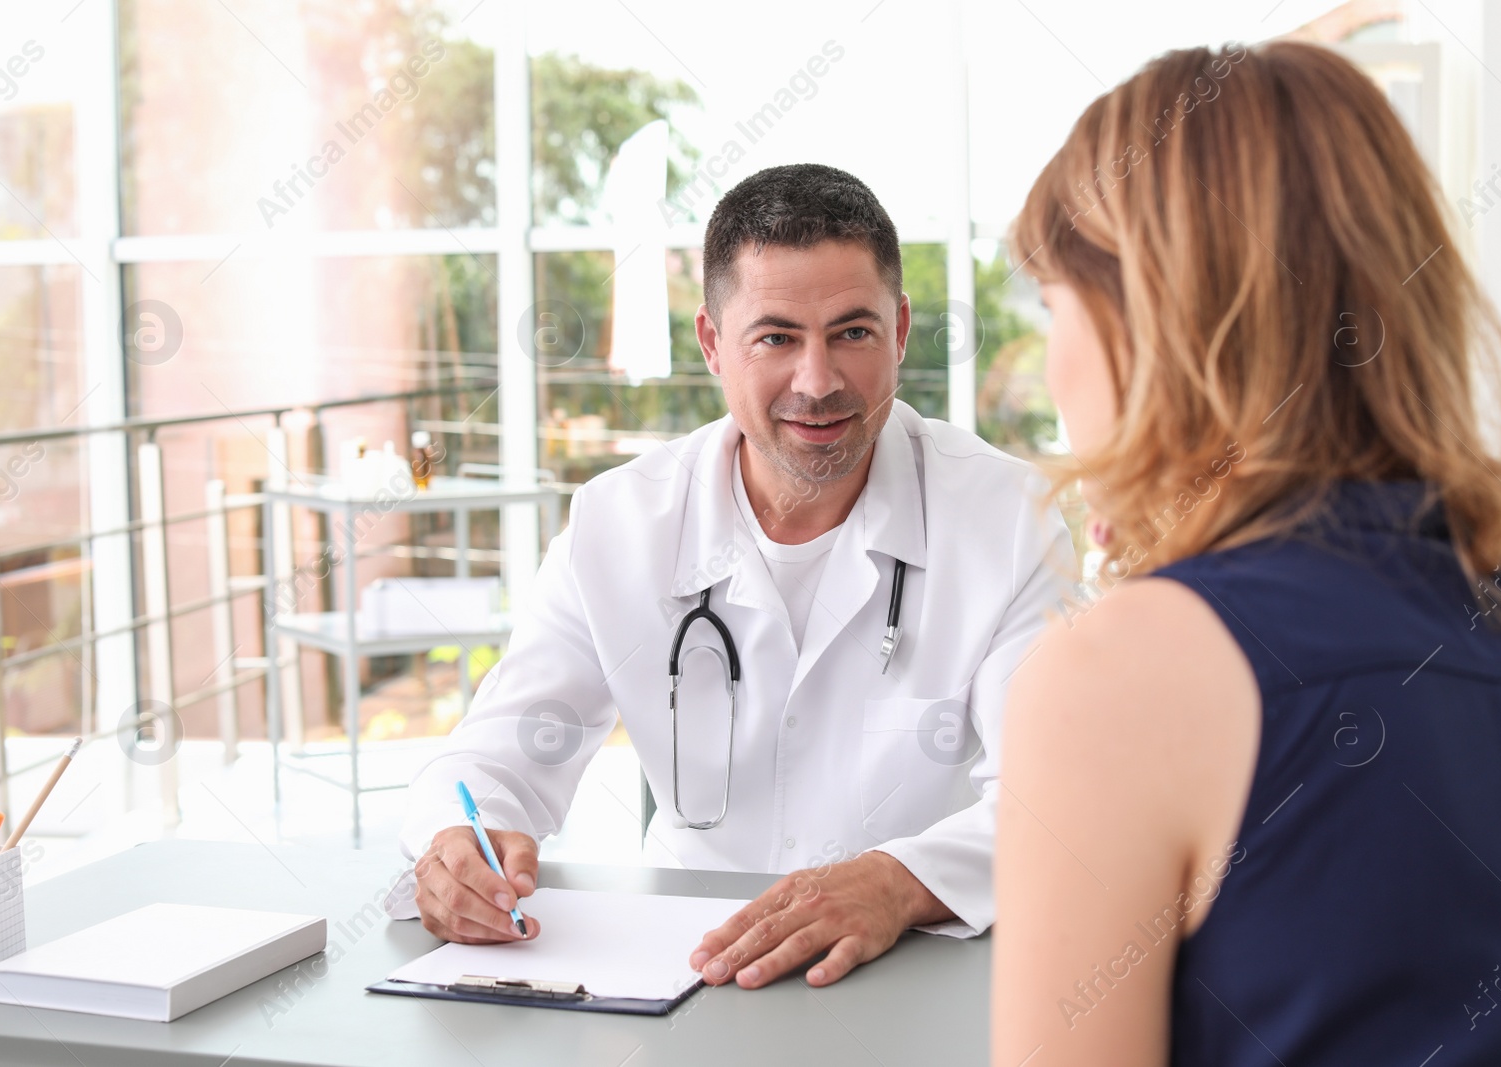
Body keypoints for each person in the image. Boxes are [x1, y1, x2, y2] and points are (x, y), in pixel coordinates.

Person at [991, 40, 1501, 1065]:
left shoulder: (1123, 672)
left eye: (1050, 303)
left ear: (1150, 317)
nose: (1047, 358)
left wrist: (1156, 605)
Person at [387, 163, 1075, 990]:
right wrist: (457, 843)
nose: (817, 382)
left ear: (899, 331)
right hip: (689, 970)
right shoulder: (618, 525)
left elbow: (1058, 798)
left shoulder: (1006, 518)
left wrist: (897, 882)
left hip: (914, 966)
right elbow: (495, 757)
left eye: (852, 333)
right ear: (713, 343)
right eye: (776, 337)